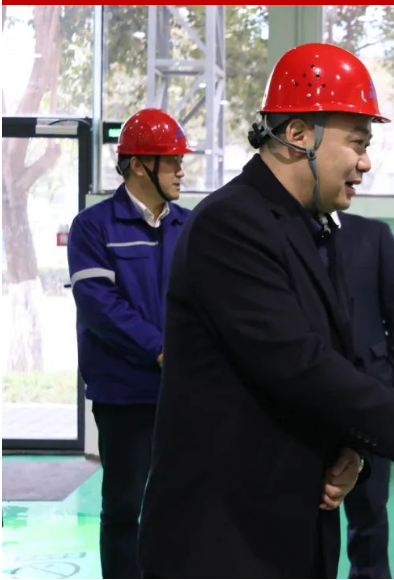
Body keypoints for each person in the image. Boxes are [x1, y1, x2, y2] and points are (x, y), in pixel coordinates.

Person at [137, 43, 394, 579]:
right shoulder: (230, 223)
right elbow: (296, 362)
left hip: (289, 525)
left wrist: (351, 447)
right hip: (222, 540)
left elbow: (336, 356)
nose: (365, 162)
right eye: (358, 142)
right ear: (300, 134)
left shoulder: (312, 227)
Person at [66, 108, 192, 578]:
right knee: (124, 506)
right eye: (171, 160)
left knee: (182, 503)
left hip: (183, 393)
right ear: (139, 165)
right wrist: (160, 349)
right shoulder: (94, 226)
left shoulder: (191, 227)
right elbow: (99, 305)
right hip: (125, 394)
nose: (181, 170)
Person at [336, 211, 394, 579]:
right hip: (304, 394)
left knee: (369, 505)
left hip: (371, 391)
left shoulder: (373, 235)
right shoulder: (286, 233)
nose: (353, 183)